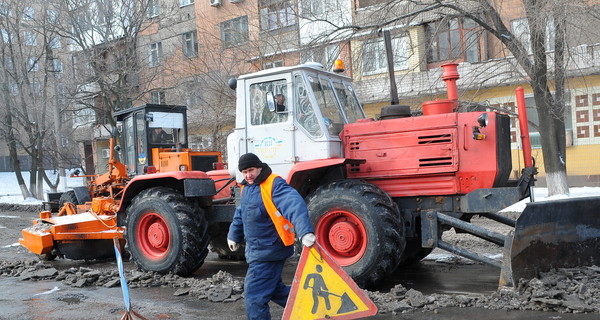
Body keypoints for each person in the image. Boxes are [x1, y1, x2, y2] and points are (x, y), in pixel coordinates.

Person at [227, 153, 316, 320]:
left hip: (269, 250)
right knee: (275, 290)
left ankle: (313, 306)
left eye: (251, 170)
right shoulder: (246, 188)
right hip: (257, 250)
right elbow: (241, 213)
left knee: (254, 295)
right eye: (244, 172)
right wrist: (233, 234)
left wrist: (305, 231)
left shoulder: (273, 184)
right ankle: (313, 306)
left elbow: (293, 204)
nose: (248, 175)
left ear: (259, 167)